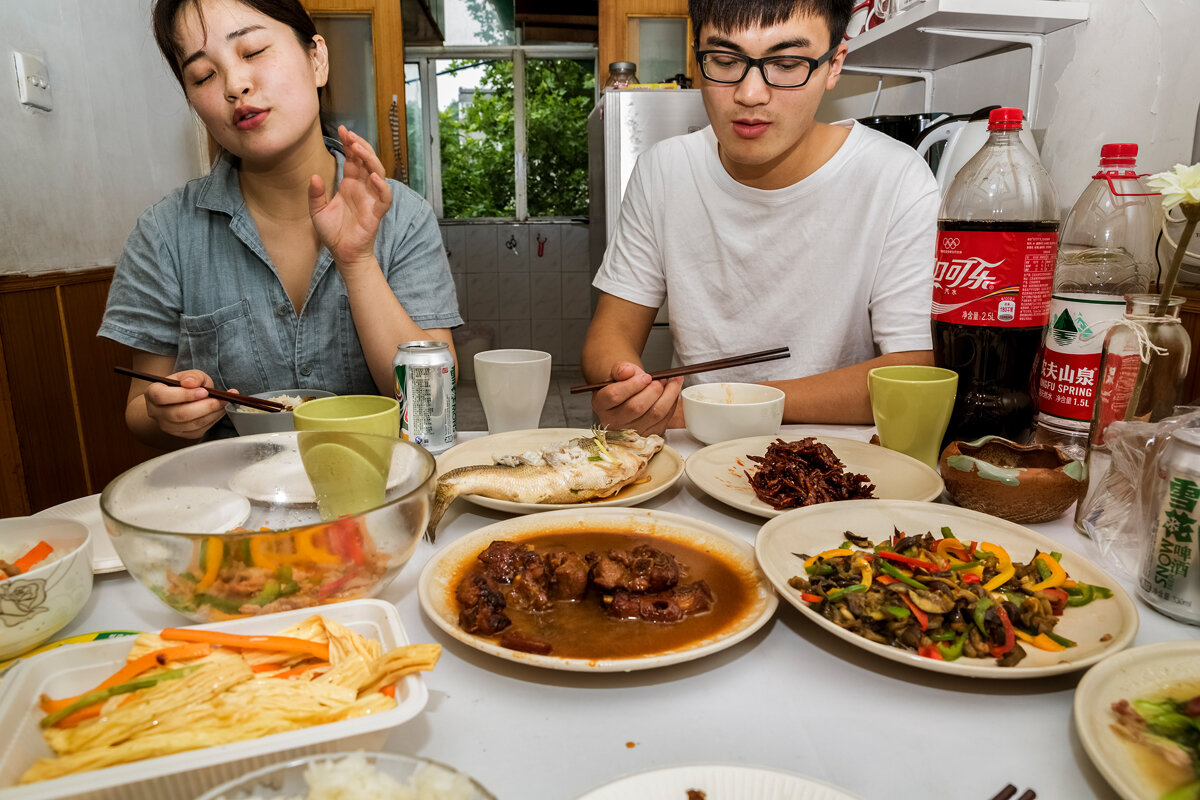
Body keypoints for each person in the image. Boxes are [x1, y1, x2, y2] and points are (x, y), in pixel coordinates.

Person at [99, 0, 461, 448]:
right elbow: (140, 408)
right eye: (203, 75)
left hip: (376, 491)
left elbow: (433, 402)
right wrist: (167, 413)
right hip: (234, 504)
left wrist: (357, 260)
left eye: (251, 51)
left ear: (317, 59)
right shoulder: (163, 234)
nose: (235, 85)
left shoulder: (404, 215)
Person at [582, 0, 938, 436]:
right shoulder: (665, 169)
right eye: (725, 60)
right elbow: (611, 331)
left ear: (833, 65)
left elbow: (914, 371)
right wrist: (626, 388)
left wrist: (733, 407)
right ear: (699, 58)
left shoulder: (895, 177)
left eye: (787, 63)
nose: (750, 94)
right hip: (698, 450)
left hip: (839, 464)